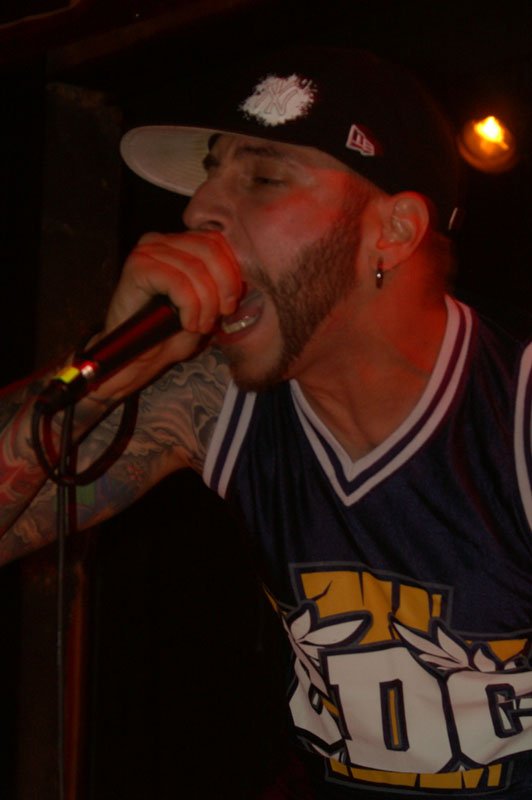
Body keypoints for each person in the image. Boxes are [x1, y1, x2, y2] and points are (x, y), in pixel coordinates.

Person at [0, 46, 531, 798]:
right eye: (209, 176)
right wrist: (100, 383)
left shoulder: (514, 413)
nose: (197, 211)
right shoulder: (214, 402)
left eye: (263, 178)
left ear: (394, 230)